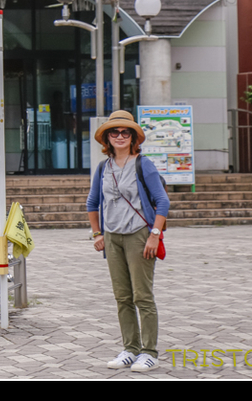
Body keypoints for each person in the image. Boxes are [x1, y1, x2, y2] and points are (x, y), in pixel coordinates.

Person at [86, 110, 170, 373]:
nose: (120, 136)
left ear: (133, 137)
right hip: (112, 237)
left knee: (142, 296)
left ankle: (150, 352)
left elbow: (162, 201)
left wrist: (154, 235)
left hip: (139, 235)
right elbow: (92, 202)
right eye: (115, 132)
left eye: (126, 132)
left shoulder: (143, 164)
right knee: (122, 296)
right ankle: (130, 348)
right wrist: (97, 233)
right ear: (107, 138)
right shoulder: (103, 167)